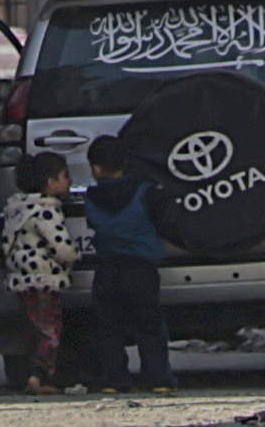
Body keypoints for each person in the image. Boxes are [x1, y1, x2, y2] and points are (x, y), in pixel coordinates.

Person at [76, 137, 169, 387]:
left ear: (96, 169)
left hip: (107, 268)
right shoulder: (147, 192)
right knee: (148, 325)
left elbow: (95, 224)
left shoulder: (93, 198)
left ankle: (115, 379)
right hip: (141, 268)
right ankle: (158, 378)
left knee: (108, 328)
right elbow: (162, 220)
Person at [0, 153, 85, 391]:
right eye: (65, 176)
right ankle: (38, 377)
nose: (70, 182)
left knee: (33, 332)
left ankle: (33, 374)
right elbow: (59, 245)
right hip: (45, 279)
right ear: (51, 183)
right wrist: (75, 255)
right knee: (50, 333)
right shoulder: (46, 211)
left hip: (23, 281)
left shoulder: (16, 209)